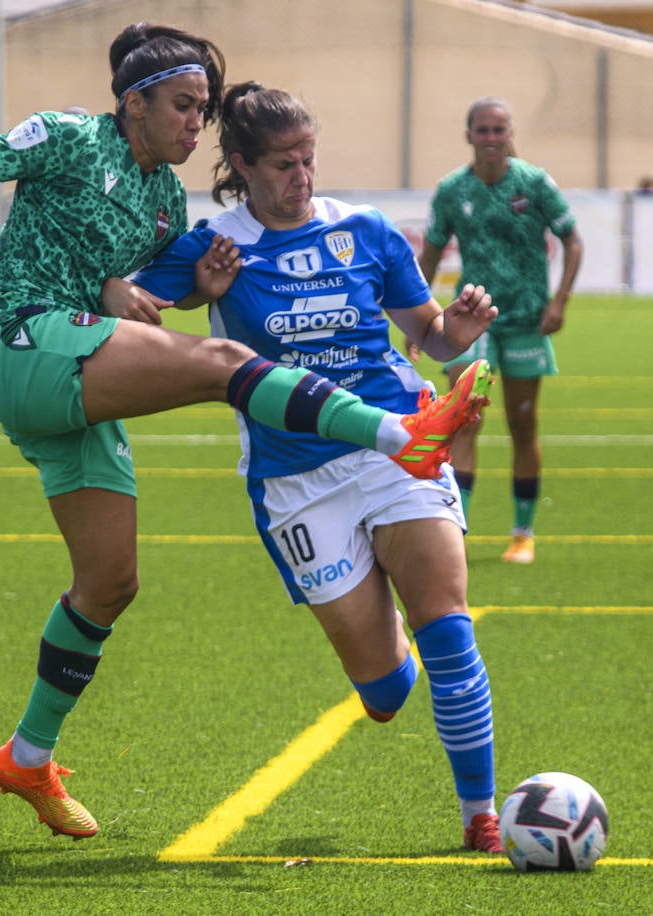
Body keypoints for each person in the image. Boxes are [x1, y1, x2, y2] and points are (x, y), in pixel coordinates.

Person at [0, 23, 489, 841]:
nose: (195, 124)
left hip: (76, 376)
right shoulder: (70, 133)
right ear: (133, 103)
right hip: (22, 337)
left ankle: (28, 756)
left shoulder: (166, 204)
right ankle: (403, 436)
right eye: (182, 106)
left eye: (202, 109)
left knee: (110, 583)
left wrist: (163, 292)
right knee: (221, 363)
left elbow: (130, 291)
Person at [130, 82, 505, 853]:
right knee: (384, 690)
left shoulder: (366, 233)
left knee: (450, 634)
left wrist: (455, 331)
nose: (301, 176)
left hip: (400, 446)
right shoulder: (214, 246)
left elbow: (426, 337)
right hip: (295, 480)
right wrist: (199, 296)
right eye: (283, 163)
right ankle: (383, 649)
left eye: (309, 159)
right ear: (240, 164)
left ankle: (482, 815)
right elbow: (125, 314)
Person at [417, 96, 582, 565]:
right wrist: (416, 316)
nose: (491, 138)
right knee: (462, 422)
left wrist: (559, 300)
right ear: (468, 135)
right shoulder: (451, 190)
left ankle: (522, 533)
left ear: (511, 135)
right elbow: (429, 255)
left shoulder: (533, 182)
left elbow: (573, 240)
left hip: (527, 321)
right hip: (472, 324)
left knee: (522, 425)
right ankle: (457, 534)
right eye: (483, 130)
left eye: (499, 130)